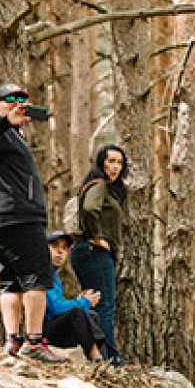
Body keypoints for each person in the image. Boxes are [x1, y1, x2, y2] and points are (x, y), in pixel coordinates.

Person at [0, 83, 66, 362]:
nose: (17, 104)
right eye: (10, 99)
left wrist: (10, 124)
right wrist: (5, 122)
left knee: (10, 282)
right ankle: (34, 342)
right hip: (18, 218)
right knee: (36, 279)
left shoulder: (10, 135)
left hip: (0, 219)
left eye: (22, 101)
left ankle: (12, 340)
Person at [71, 144, 128, 365]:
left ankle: (96, 354)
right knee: (105, 306)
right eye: (110, 161)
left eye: (119, 163)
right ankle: (111, 357)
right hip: (93, 251)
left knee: (93, 304)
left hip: (85, 252)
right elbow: (89, 209)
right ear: (101, 162)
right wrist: (97, 236)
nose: (114, 167)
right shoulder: (100, 185)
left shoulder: (102, 187)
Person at [43, 230, 106, 361]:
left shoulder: (54, 276)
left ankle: (102, 359)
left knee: (91, 315)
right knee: (78, 312)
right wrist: (85, 302)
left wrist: (79, 301)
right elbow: (55, 308)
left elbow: (57, 305)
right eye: (55, 246)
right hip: (44, 333)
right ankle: (95, 356)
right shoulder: (43, 273)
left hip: (56, 328)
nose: (60, 252)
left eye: (64, 248)